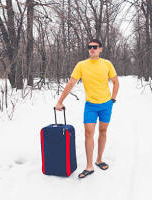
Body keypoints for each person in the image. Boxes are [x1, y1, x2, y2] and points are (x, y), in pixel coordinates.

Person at [55, 39, 119, 178]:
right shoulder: (81, 65)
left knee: (103, 131)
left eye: (95, 47)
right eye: (89, 47)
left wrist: (112, 99)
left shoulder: (107, 64)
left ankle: (99, 159)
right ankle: (89, 166)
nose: (92, 49)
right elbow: (71, 83)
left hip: (106, 105)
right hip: (90, 105)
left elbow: (115, 82)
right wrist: (60, 101)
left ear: (100, 49)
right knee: (88, 133)